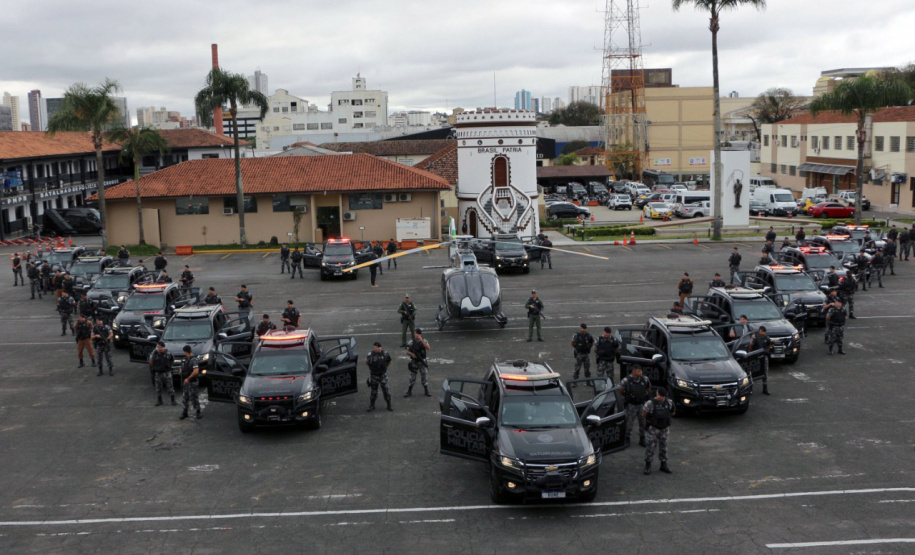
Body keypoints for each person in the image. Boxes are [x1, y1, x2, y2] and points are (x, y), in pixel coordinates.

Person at [643, 387, 675, 475]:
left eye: (660, 395)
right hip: (653, 428)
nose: (658, 396)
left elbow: (673, 412)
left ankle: (663, 464)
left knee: (664, 447)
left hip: (664, 429)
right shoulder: (650, 403)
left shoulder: (669, 402)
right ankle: (648, 465)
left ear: (663, 396)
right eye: (657, 394)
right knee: (650, 447)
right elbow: (644, 414)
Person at [619, 364, 652, 447]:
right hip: (631, 405)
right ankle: (627, 438)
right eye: (638, 371)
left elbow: (649, 389)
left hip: (641, 405)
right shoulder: (626, 380)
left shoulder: (645, 379)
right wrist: (628, 396)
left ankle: (642, 438)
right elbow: (621, 390)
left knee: (643, 422)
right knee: (629, 423)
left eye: (641, 370)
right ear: (633, 371)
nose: (640, 372)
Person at [366, 341, 393, 412]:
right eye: (374, 348)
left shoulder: (385, 354)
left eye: (375, 348)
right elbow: (367, 363)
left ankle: (389, 405)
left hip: (383, 376)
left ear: (379, 348)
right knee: (373, 392)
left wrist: (384, 368)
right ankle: (372, 405)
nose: (374, 349)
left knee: (386, 391)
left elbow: (389, 361)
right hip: (374, 376)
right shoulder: (370, 355)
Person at [404, 329, 431, 398]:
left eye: (418, 334)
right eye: (416, 333)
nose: (417, 335)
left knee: (424, 375)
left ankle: (426, 390)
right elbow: (407, 351)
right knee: (412, 376)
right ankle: (409, 390)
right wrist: (412, 354)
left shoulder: (424, 341)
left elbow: (428, 348)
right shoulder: (411, 342)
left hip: (422, 360)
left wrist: (421, 340)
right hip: (414, 361)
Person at [148, 341, 176, 406]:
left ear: (163, 347)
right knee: (158, 387)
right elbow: (151, 362)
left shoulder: (168, 353)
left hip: (167, 372)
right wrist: (155, 367)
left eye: (160, 347)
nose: (159, 348)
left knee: (170, 387)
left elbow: (172, 360)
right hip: (158, 373)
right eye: (158, 347)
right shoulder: (154, 354)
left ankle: (173, 400)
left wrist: (169, 366)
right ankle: (159, 400)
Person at [178, 345, 202, 420]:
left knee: (194, 397)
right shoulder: (186, 360)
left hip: (192, 382)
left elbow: (196, 371)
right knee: (185, 398)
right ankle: (185, 412)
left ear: (186, 352)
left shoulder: (193, 360)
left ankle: (198, 412)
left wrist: (189, 378)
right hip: (186, 382)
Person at [750, 325, 772, 395]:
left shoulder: (766, 337)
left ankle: (765, 388)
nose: (763, 333)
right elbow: (750, 347)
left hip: (763, 356)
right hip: (755, 357)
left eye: (764, 332)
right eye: (762, 332)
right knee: (752, 373)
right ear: (760, 331)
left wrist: (766, 351)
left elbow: (769, 345)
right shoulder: (755, 337)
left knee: (765, 372)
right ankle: (750, 389)